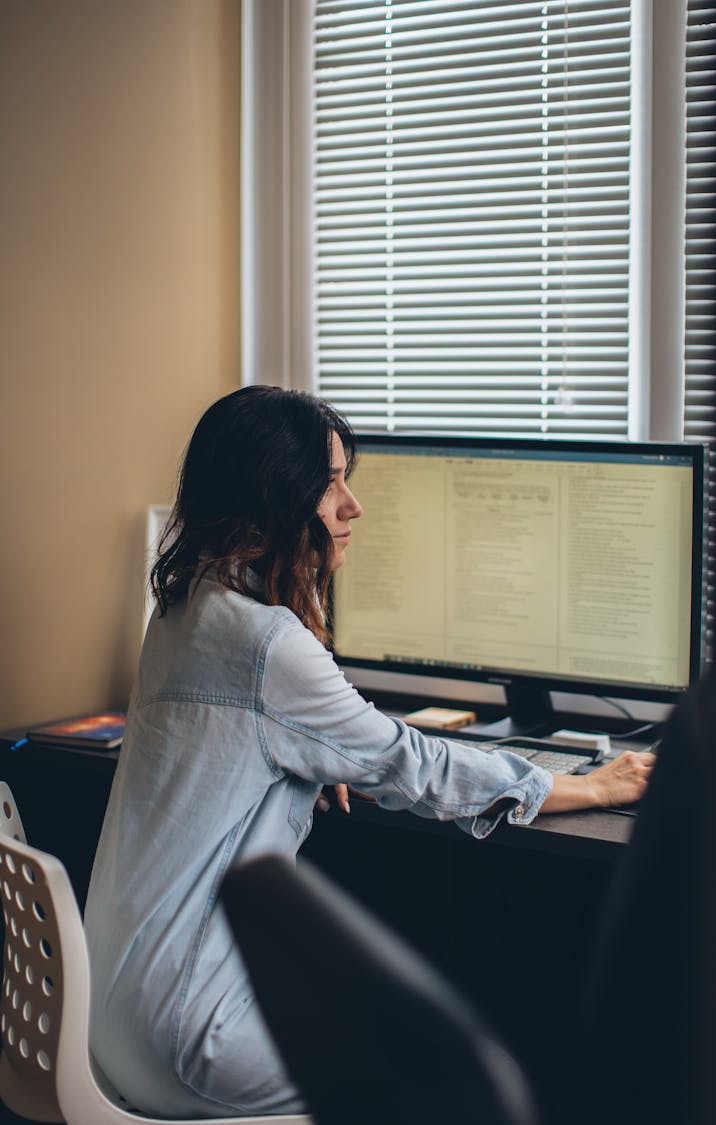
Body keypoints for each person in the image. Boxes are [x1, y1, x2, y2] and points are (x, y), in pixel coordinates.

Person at [84, 386, 653, 1118]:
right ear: (276, 492)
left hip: (109, 1019)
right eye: (331, 482)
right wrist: (588, 787)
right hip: (191, 1033)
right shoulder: (269, 644)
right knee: (472, 1076)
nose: (353, 506)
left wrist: (300, 764)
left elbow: (220, 749)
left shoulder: (184, 607)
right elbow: (414, 762)